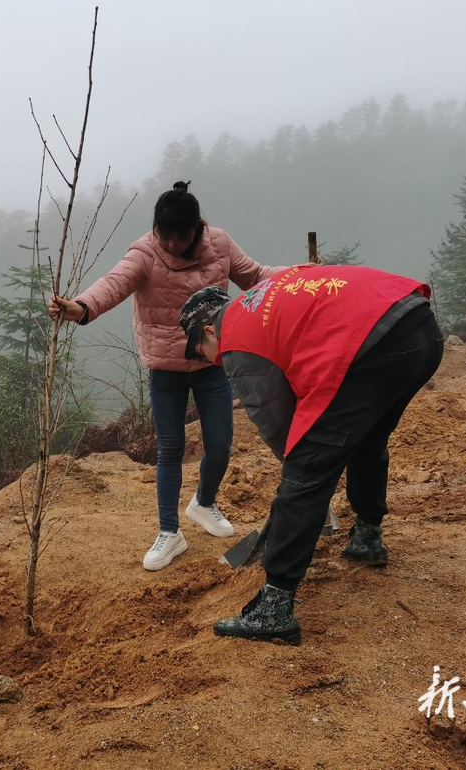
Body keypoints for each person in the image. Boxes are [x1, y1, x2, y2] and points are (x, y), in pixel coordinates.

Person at [179, 264, 442, 644]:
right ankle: (367, 537)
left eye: (202, 355)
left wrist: (302, 485)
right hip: (419, 328)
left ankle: (274, 608)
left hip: (374, 345)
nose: (210, 363)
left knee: (305, 468)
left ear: (208, 331)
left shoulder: (236, 337)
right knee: (367, 437)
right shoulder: (261, 300)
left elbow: (278, 424)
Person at [48, 181, 287, 570]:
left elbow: (256, 275)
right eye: (166, 235)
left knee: (220, 445)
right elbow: (114, 283)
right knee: (170, 449)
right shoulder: (145, 253)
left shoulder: (220, 245)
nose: (173, 244)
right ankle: (169, 532)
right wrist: (82, 307)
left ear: (198, 229)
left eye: (182, 236)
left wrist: (298, 275)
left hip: (211, 364)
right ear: (156, 229)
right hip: (165, 370)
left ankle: (204, 503)